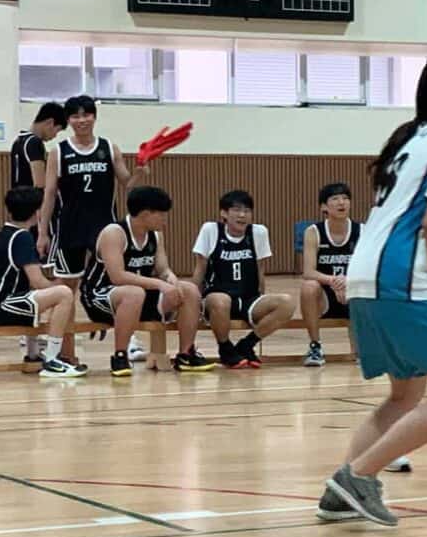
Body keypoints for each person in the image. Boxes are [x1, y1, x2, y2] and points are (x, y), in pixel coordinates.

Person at [316, 54, 427, 526]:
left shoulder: (412, 138)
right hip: (402, 280)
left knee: (405, 396)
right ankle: (360, 477)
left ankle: (341, 489)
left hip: (367, 276)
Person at [36, 95, 147, 360]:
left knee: (118, 283)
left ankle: (129, 342)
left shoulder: (109, 148)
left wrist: (141, 172)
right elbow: (49, 194)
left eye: (86, 115)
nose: (81, 120)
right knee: (66, 289)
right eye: (75, 116)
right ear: (69, 120)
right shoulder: (58, 152)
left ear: (94, 117)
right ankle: (66, 353)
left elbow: (127, 184)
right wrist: (42, 232)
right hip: (70, 228)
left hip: (105, 230)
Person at [81, 187, 215, 376]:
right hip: (99, 295)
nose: (165, 220)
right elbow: (117, 277)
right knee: (133, 293)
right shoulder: (114, 233)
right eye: (161, 215)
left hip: (140, 295)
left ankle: (186, 354)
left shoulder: (155, 234)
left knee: (190, 290)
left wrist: (171, 279)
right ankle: (120, 356)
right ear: (146, 214)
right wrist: (160, 284)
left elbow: (162, 268)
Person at [0, 187, 85, 377]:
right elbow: (38, 281)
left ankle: (33, 354)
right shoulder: (21, 237)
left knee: (30, 297)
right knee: (63, 294)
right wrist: (62, 283)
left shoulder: (4, 233)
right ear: (38, 212)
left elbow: (29, 286)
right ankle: (53, 360)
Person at [192, 190, 295, 369]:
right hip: (217, 299)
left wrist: (263, 299)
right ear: (223, 213)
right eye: (236, 210)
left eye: (247, 210)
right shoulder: (211, 230)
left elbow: (260, 270)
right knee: (221, 300)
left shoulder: (258, 232)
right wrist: (194, 303)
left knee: (287, 303)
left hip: (248, 299)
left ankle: (246, 345)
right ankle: (225, 349)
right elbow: (199, 270)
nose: (242, 215)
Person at [300, 182, 360, 368]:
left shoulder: (362, 230)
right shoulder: (313, 232)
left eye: (345, 198)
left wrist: (348, 282)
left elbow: (369, 268)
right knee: (308, 286)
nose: (342, 202)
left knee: (373, 287)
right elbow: (308, 271)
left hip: (351, 291)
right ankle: (315, 346)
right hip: (325, 296)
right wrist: (334, 281)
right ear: (324, 207)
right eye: (335, 199)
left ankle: (362, 350)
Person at [11, 102, 67, 188]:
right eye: (57, 130)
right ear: (50, 122)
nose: (55, 136)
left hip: (16, 196)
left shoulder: (18, 140)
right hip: (31, 199)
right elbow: (40, 184)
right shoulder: (34, 142)